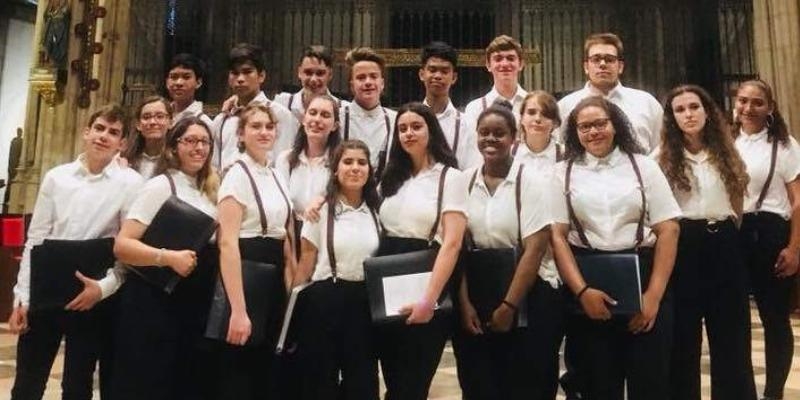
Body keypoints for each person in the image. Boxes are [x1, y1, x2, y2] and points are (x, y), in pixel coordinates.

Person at [9, 104, 143, 400]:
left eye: (113, 132)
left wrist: (104, 288)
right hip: (48, 285)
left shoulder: (131, 183)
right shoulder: (57, 177)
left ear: (122, 143)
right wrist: (23, 296)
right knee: (28, 382)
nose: (104, 136)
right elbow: (37, 238)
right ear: (86, 132)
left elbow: (126, 246)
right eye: (99, 128)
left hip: (91, 290)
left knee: (77, 385)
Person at [551, 96, 681, 399]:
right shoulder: (563, 172)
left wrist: (652, 297)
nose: (593, 131)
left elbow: (669, 229)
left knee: (649, 379)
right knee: (596, 380)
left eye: (600, 123)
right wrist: (582, 292)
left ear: (616, 125)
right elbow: (557, 236)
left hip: (645, 274)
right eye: (584, 127)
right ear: (574, 132)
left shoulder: (644, 166)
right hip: (587, 276)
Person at [655, 84, 756, 400]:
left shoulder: (726, 151)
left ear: (707, 111)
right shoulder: (660, 158)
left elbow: (736, 202)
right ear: (672, 118)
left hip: (723, 244)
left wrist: (725, 232)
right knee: (683, 339)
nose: (688, 114)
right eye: (680, 110)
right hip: (683, 246)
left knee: (732, 337)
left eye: (694, 107)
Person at [112, 116, 220, 400]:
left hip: (195, 298)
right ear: (174, 146)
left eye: (204, 142)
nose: (199, 148)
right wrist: (167, 257)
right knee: (150, 380)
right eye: (190, 141)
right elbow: (123, 245)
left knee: (185, 380)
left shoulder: (211, 189)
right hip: (155, 297)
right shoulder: (160, 185)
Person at [454, 101, 553, 399]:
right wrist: (464, 303)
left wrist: (509, 306)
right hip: (475, 291)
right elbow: (455, 246)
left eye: (499, 133)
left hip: (525, 293)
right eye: (484, 133)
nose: (491, 139)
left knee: (522, 384)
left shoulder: (531, 181)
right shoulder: (464, 181)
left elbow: (535, 247)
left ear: (515, 138)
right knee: (478, 382)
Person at [376, 102, 468, 400]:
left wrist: (429, 299)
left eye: (416, 127)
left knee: (412, 384)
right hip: (387, 282)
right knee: (392, 379)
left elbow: (452, 243)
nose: (408, 133)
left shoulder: (450, 178)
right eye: (402, 128)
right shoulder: (389, 178)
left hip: (426, 279)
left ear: (432, 131)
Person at [215, 103, 295, 399]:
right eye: (256, 126)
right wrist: (237, 309)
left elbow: (285, 236)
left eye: (269, 126)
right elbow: (227, 242)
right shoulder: (237, 174)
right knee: (240, 368)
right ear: (241, 134)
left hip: (274, 273)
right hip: (247, 271)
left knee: (267, 367)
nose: (264, 132)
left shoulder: (274, 173)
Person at [292, 139, 381, 400]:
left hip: (364, 304)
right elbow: (306, 263)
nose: (355, 168)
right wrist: (291, 307)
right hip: (325, 300)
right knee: (321, 381)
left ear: (369, 170)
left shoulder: (376, 211)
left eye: (361, 163)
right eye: (348, 161)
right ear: (335, 169)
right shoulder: (319, 211)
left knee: (362, 380)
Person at [734, 79, 800, 400]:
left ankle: (773, 393)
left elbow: (798, 200)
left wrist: (794, 247)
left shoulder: (785, 145)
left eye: (757, 102)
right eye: (742, 100)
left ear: (770, 108)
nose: (748, 108)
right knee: (734, 320)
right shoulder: (726, 141)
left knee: (773, 318)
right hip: (734, 235)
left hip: (771, 233)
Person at [557, 33, 662, 153]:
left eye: (609, 59)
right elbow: (559, 150)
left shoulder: (646, 103)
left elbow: (660, 150)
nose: (602, 64)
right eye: (596, 59)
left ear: (620, 66)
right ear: (586, 67)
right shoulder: (566, 106)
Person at [212, 43, 298, 170]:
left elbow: (284, 165)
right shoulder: (222, 120)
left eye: (247, 72)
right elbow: (215, 166)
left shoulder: (280, 115)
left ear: (261, 76)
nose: (240, 78)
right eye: (235, 73)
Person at [275, 94, 341, 251]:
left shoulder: (340, 161)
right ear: (304, 119)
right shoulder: (285, 160)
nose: (317, 120)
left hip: (326, 236)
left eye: (325, 115)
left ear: (335, 125)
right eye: (312, 113)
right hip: (290, 236)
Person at [418, 41, 480, 168]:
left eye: (444, 71)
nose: (438, 76)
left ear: (454, 77)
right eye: (432, 70)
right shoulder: (409, 122)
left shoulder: (467, 124)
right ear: (422, 74)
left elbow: (472, 170)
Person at [339, 47, 397, 172]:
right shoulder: (339, 118)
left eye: (373, 76)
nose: (368, 82)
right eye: (361, 77)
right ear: (352, 85)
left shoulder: (395, 120)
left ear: (382, 83)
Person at [464, 35, 527, 128]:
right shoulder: (474, 109)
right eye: (498, 59)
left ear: (521, 64)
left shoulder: (535, 106)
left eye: (510, 58)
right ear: (488, 65)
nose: (505, 64)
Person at [274, 45, 338, 122]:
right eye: (308, 72)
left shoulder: (342, 110)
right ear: (299, 72)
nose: (313, 79)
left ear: (330, 75)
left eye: (320, 73)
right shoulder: (281, 104)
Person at [124, 96, 173, 179]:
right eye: (146, 117)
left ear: (171, 122)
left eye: (160, 116)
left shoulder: (178, 161)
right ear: (138, 124)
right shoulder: (125, 158)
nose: (152, 122)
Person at [164, 53, 213, 127]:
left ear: (198, 82)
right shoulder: (160, 117)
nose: (179, 83)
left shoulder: (205, 122)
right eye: (174, 77)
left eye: (186, 77)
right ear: (167, 82)